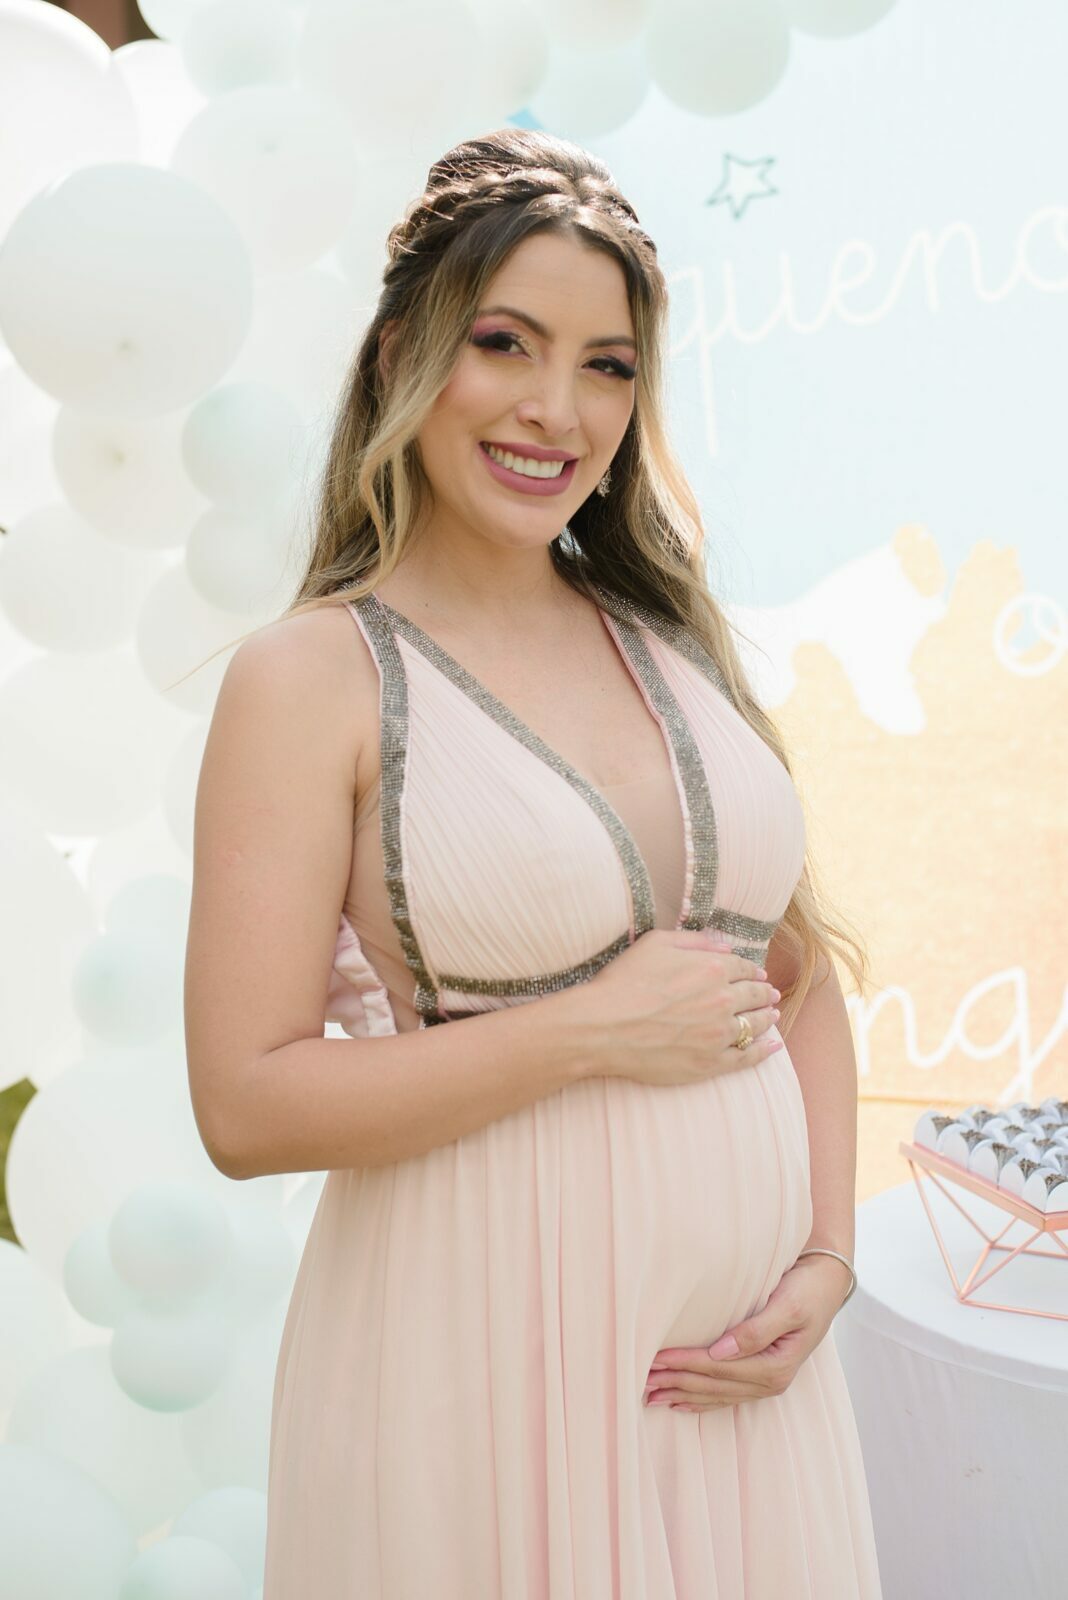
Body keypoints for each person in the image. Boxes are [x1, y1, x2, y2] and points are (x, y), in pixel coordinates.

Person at [184, 127, 883, 1597]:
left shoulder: (670, 639)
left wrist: (828, 1257)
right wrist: (586, 1033)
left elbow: (795, 974)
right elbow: (244, 1105)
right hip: (481, 1369)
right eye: (506, 343)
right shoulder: (313, 678)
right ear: (400, 354)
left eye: (607, 365)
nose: (556, 410)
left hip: (745, 1397)